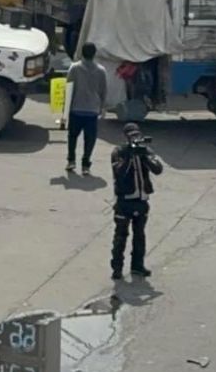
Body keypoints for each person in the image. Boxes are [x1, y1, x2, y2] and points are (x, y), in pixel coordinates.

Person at [110, 123, 164, 280]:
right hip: (124, 201)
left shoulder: (145, 151)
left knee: (140, 235)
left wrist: (143, 156)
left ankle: (137, 266)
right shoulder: (119, 152)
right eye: (131, 135)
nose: (135, 138)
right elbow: (119, 173)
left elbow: (158, 169)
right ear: (126, 137)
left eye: (137, 135)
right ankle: (117, 268)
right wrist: (129, 155)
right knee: (120, 236)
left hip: (141, 200)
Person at [65, 42, 107, 174]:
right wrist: (102, 107)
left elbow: (68, 89)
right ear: (94, 54)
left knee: (72, 137)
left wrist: (65, 110)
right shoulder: (101, 70)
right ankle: (86, 165)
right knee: (90, 139)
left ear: (82, 53)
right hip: (92, 110)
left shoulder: (74, 68)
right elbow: (103, 91)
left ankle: (71, 161)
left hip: (76, 109)